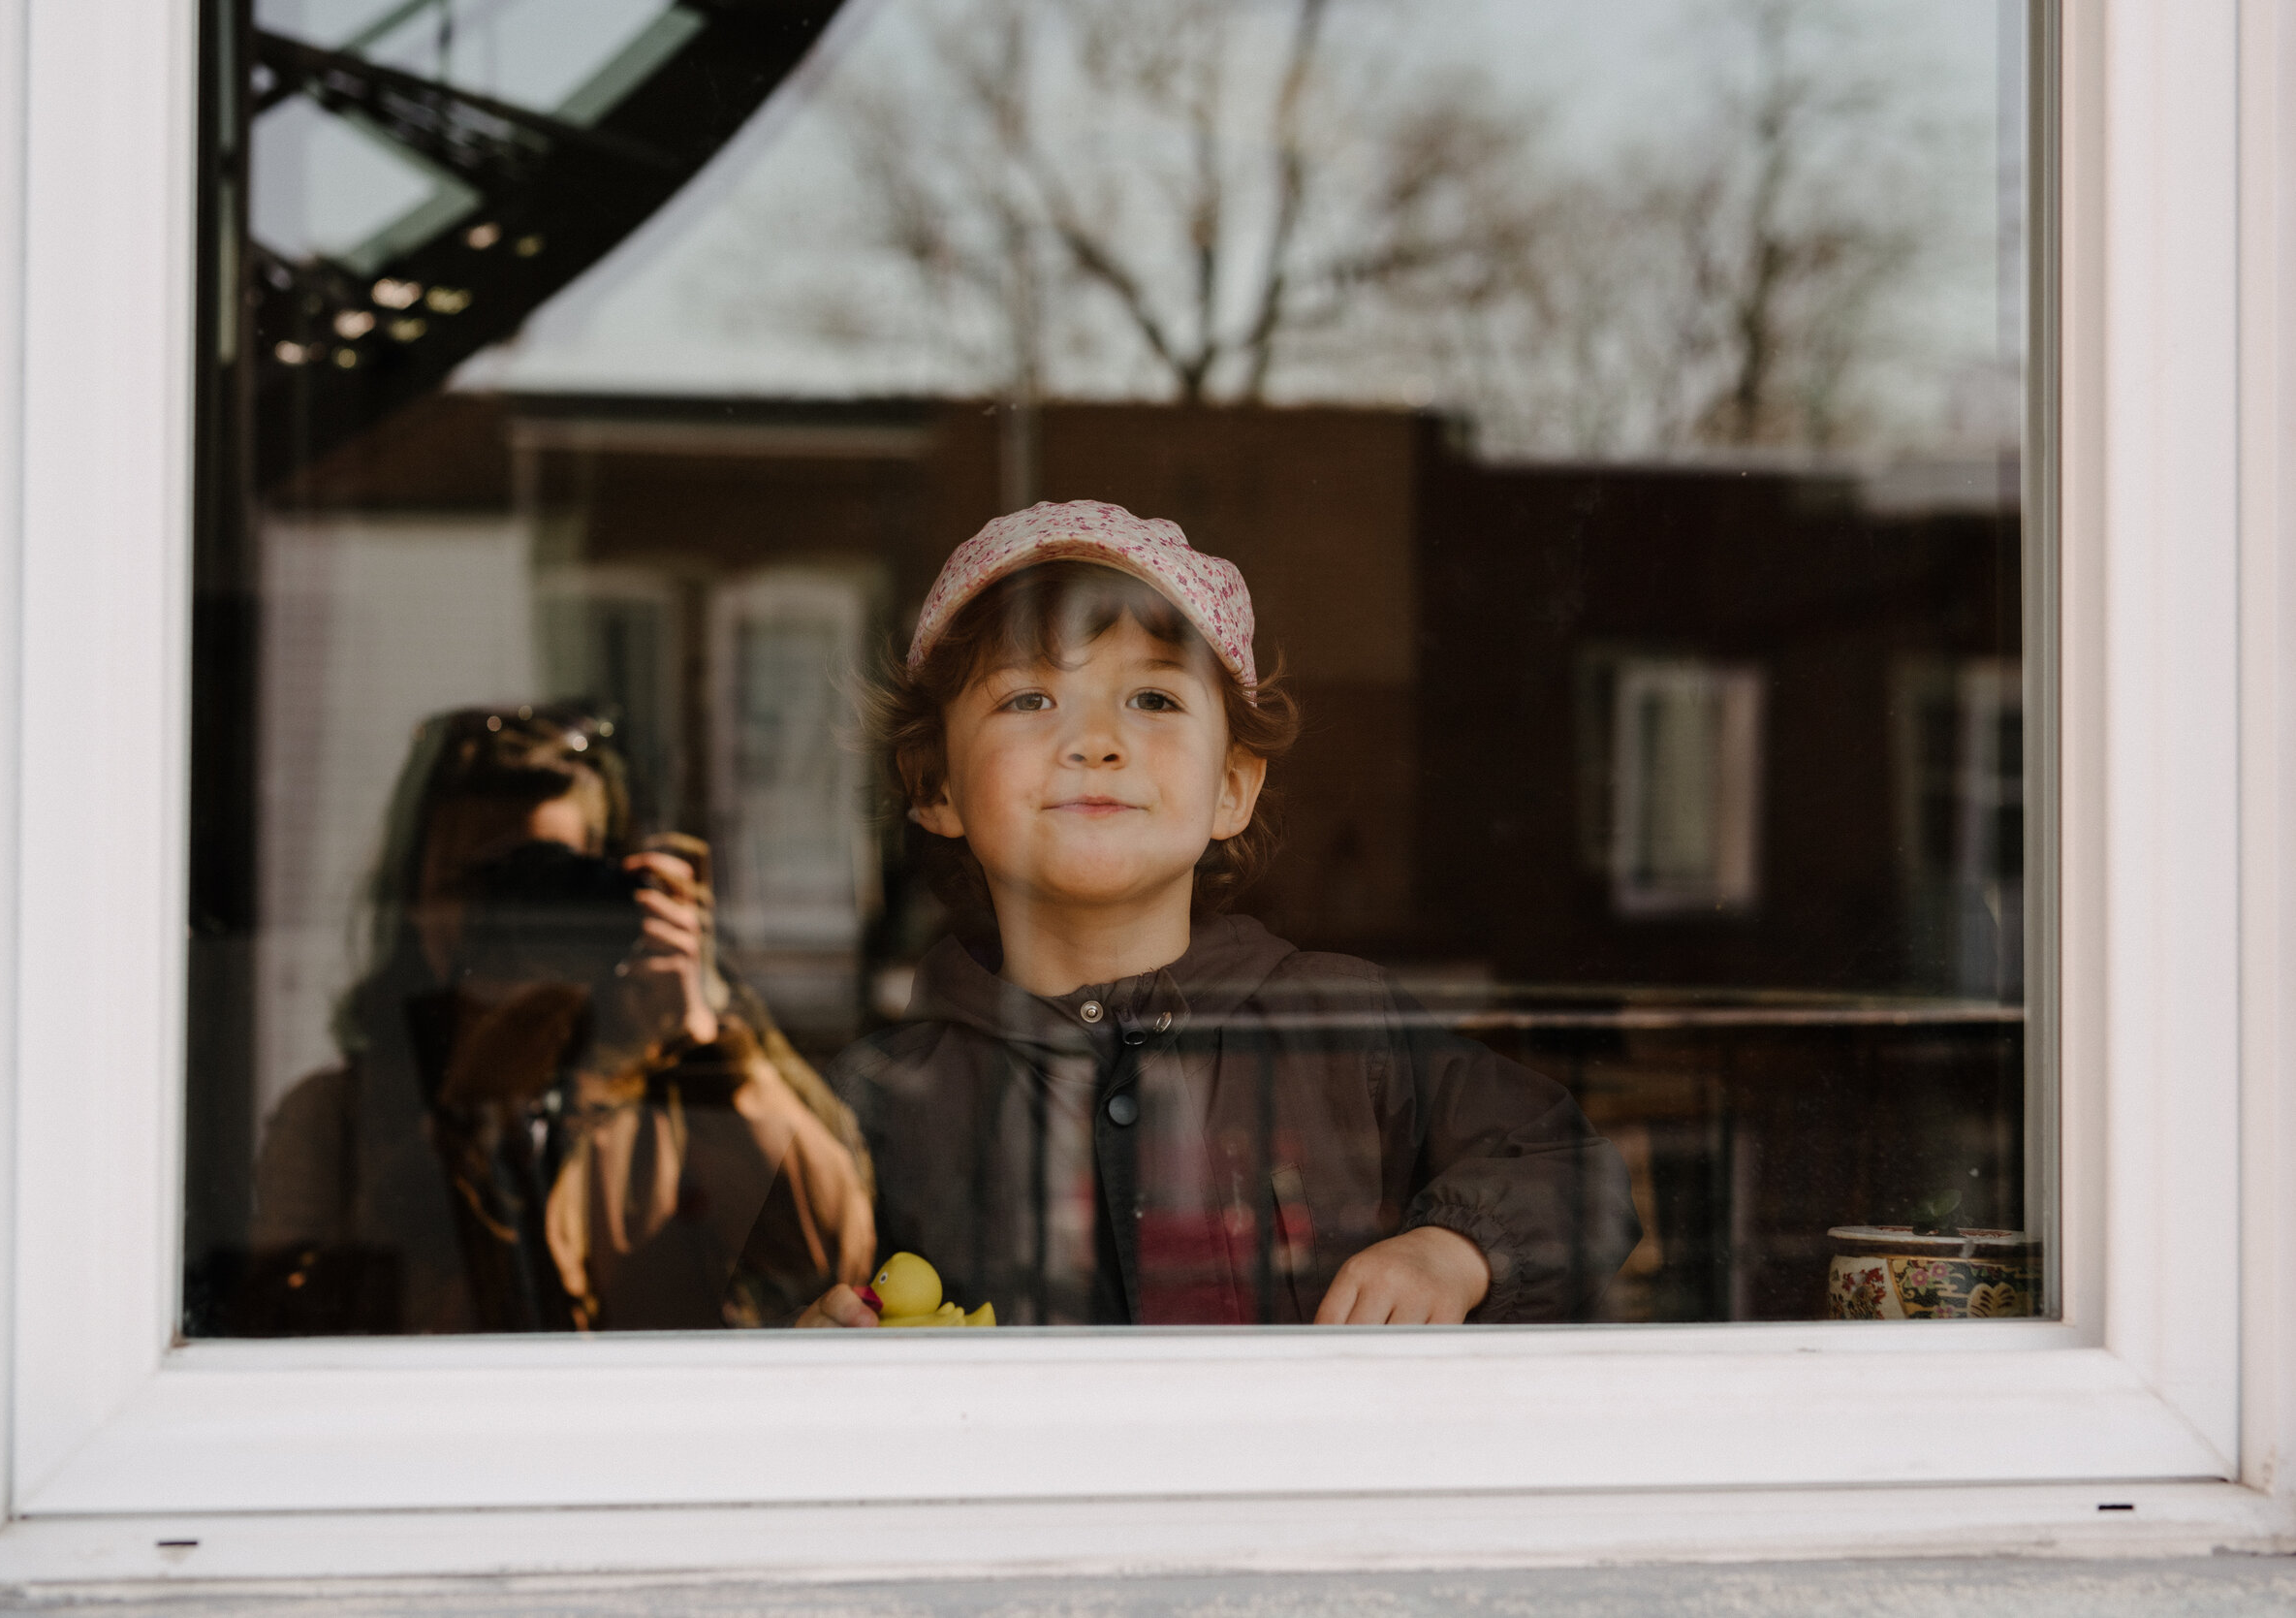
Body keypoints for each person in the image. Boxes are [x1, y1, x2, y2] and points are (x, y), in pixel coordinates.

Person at [802, 501, 1639, 1328]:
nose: (1095, 740)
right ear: (935, 785)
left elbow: (1575, 1169)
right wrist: (807, 1353)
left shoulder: (1349, 1029)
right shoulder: (869, 1103)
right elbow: (733, 1331)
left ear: (1232, 787)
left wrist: (1453, 1251)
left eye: (1154, 700)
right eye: (1027, 699)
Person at [244, 705, 874, 1335]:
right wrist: (461, 1127)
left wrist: (702, 1044)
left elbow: (836, 1259)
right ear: (414, 901)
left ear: (608, 889)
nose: (518, 918)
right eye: (481, 884)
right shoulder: (335, 1120)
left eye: (553, 881)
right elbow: (288, 1342)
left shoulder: (677, 1108)